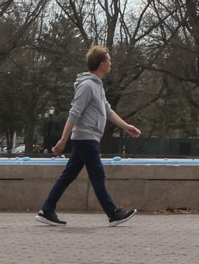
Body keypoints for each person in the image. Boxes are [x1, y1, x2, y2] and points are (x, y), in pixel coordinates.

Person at [38, 45, 142, 226]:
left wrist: (126, 126)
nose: (111, 63)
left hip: (87, 138)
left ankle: (47, 209)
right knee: (97, 176)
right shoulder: (87, 86)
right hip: (86, 138)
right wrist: (63, 140)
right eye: (109, 60)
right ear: (102, 64)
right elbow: (74, 113)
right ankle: (113, 213)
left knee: (68, 176)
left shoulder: (97, 86)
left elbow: (108, 111)